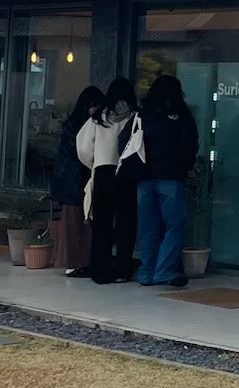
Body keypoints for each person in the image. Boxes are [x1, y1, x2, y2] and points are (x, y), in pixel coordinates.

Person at [132, 74, 202, 287]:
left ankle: (146, 271)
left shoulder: (142, 115)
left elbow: (125, 141)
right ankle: (163, 270)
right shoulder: (182, 116)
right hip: (171, 177)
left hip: (144, 177)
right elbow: (189, 145)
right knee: (175, 224)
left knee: (147, 227)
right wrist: (183, 168)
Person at [77, 77, 140, 283]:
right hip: (125, 174)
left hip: (103, 172)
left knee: (101, 224)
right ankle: (122, 270)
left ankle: (100, 271)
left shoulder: (99, 117)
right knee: (126, 224)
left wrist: (94, 163)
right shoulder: (135, 116)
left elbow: (83, 147)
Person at [50, 86, 104, 277]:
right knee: (74, 225)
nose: (97, 110)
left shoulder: (82, 124)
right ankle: (73, 264)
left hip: (79, 181)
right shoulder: (74, 127)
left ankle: (84, 262)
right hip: (73, 183)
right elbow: (77, 153)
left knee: (85, 224)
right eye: (94, 106)